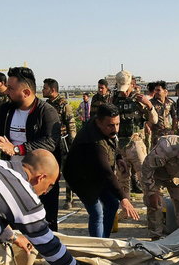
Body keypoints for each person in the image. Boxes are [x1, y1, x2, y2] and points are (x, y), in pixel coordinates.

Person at [0, 66, 62, 231]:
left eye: (11, 89)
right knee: (15, 218)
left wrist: (17, 149)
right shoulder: (6, 110)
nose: (7, 92)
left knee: (45, 221)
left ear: (26, 92)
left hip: (40, 177)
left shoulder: (46, 112)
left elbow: (50, 142)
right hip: (12, 175)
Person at [63, 103, 140, 237]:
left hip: (96, 173)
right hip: (81, 178)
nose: (115, 129)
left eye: (117, 124)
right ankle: (98, 245)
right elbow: (107, 173)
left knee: (112, 204)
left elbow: (112, 143)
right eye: (111, 125)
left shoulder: (103, 126)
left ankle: (105, 239)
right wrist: (124, 198)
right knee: (97, 212)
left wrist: (118, 157)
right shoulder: (94, 143)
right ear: (99, 122)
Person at [111, 70, 158, 196]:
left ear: (131, 84)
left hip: (136, 143)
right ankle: (126, 211)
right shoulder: (114, 100)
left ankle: (152, 208)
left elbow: (154, 120)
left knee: (145, 177)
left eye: (126, 89)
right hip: (120, 145)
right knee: (122, 181)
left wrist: (149, 105)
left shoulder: (139, 99)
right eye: (121, 89)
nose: (124, 92)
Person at [42, 78, 77, 208]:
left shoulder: (64, 104)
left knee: (67, 171)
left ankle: (69, 199)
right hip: (49, 142)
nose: (42, 90)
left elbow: (71, 124)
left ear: (52, 90)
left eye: (45, 88)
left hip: (63, 142)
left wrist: (72, 144)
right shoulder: (45, 105)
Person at [149, 81, 177, 146]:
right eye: (155, 90)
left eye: (158, 90)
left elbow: (174, 117)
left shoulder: (170, 102)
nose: (156, 92)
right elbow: (148, 118)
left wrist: (173, 130)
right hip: (156, 134)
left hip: (168, 133)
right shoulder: (151, 103)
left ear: (165, 91)